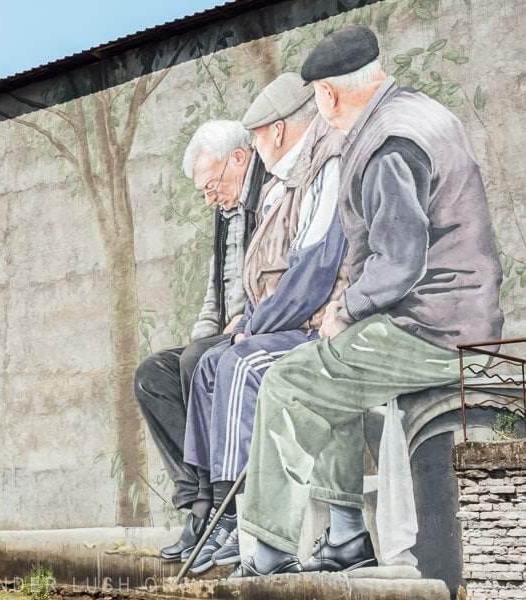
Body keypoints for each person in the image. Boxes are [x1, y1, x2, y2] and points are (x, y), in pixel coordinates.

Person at [231, 26, 504, 578]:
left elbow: (401, 262)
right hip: (458, 316)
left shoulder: (385, 144)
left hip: (430, 328)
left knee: (290, 380)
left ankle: (269, 554)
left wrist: (346, 309)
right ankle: (347, 537)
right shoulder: (417, 112)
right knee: (330, 377)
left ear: (328, 95)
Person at [182, 73, 347, 575]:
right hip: (279, 318)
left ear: (275, 133)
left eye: (254, 140)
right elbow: (263, 277)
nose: (253, 151)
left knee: (239, 362)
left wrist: (253, 325)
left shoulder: (325, 167)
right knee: (210, 362)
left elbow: (312, 274)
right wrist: (247, 319)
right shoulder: (287, 183)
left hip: (316, 323)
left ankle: (240, 520)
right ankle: (209, 505)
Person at [134, 120, 264, 561]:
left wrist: (247, 319)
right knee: (153, 375)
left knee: (197, 361)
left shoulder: (269, 197)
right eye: (204, 191)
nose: (210, 197)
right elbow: (216, 292)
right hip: (224, 335)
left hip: (261, 331)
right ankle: (195, 501)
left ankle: (214, 507)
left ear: (240, 159)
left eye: (213, 184)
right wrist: (197, 342)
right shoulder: (225, 212)